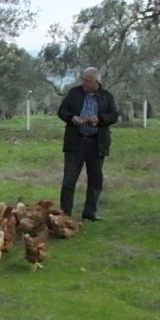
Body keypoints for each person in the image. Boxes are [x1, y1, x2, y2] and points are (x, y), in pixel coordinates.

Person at [56, 67, 119, 222]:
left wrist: (100, 119)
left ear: (96, 81)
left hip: (96, 144)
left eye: (86, 79)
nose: (83, 82)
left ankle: (89, 213)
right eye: (82, 78)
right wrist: (72, 118)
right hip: (75, 143)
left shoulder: (106, 97)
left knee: (95, 180)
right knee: (69, 181)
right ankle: (65, 214)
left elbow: (114, 116)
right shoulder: (74, 94)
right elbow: (62, 111)